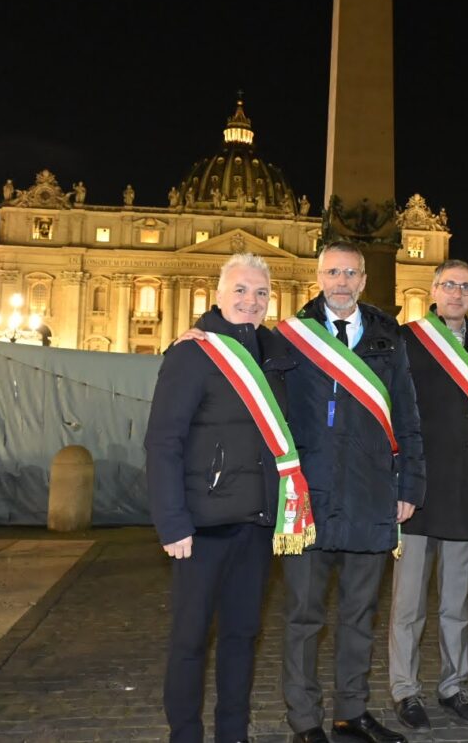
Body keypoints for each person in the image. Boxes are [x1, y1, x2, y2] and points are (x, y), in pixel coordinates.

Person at [145, 253, 298, 743]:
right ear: (218, 295)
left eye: (259, 293)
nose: (250, 301)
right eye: (240, 290)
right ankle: (184, 735)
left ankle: (233, 733)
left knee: (241, 638)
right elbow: (162, 441)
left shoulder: (276, 355)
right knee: (190, 641)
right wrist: (172, 523)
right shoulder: (191, 354)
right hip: (201, 526)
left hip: (255, 523)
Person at [276, 242, 424, 743]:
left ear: (363, 281)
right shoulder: (291, 337)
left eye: (351, 273)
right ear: (319, 277)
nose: (341, 281)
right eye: (332, 272)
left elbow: (407, 417)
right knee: (303, 617)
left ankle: (351, 712)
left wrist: (411, 483)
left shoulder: (388, 336)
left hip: (370, 494)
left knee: (360, 616)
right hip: (310, 497)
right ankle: (304, 721)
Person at [389, 260, 468, 730]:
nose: (457, 293)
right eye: (449, 285)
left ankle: (454, 685)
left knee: (457, 601)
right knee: (408, 603)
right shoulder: (407, 339)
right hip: (419, 487)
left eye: (466, 286)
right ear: (433, 290)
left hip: (466, 488)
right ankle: (404, 690)